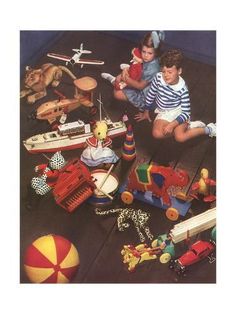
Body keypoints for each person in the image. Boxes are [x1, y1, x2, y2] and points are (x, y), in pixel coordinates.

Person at [134, 49, 216, 141]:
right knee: (157, 133)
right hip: (164, 111)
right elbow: (151, 94)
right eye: (163, 71)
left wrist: (172, 124)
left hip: (178, 112)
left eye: (170, 72)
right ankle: (186, 128)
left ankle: (207, 129)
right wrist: (145, 111)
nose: (166, 75)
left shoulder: (182, 89)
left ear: (179, 71)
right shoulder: (158, 78)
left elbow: (186, 113)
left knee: (180, 137)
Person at [101, 31, 164, 110]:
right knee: (120, 77)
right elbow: (141, 63)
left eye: (149, 53)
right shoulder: (151, 59)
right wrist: (127, 70)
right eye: (143, 51)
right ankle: (117, 79)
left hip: (145, 95)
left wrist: (125, 78)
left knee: (116, 93)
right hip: (141, 79)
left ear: (156, 53)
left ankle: (113, 80)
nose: (145, 55)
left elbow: (140, 86)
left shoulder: (152, 68)